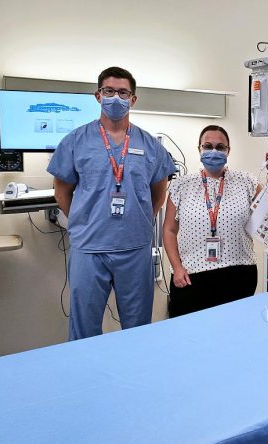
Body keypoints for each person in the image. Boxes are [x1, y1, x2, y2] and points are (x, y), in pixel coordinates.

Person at [47, 66, 176, 340]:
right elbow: (61, 192)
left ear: (133, 99)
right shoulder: (75, 141)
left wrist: (139, 221)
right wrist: (86, 222)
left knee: (137, 328)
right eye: (109, 91)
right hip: (90, 248)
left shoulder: (150, 145)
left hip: (134, 248)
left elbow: (159, 192)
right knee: (84, 328)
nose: (115, 97)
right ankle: (86, 380)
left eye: (122, 92)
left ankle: (134, 378)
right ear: (98, 95)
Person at [163, 125, 259, 318]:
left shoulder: (247, 182)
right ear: (199, 148)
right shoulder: (181, 185)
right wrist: (177, 267)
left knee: (233, 334)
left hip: (239, 273)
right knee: (191, 335)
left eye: (220, 147)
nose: (213, 151)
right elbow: (169, 230)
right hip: (191, 275)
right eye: (208, 146)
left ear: (228, 151)